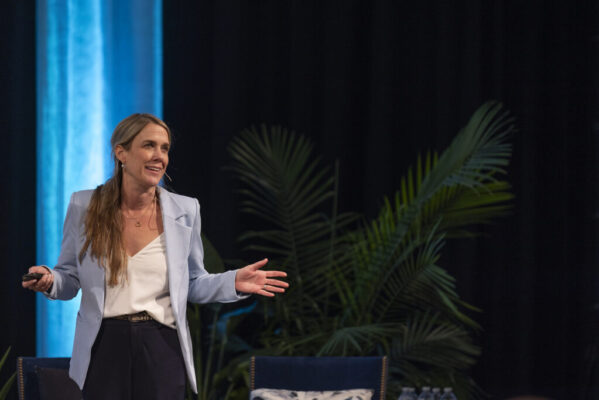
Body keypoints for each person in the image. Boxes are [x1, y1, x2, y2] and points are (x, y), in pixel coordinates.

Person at [22, 113, 288, 399]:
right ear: (121, 152)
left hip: (161, 343)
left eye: (165, 148)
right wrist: (50, 281)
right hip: (104, 344)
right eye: (149, 145)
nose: (159, 156)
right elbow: (70, 278)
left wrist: (233, 282)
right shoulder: (84, 205)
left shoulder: (185, 210)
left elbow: (194, 283)